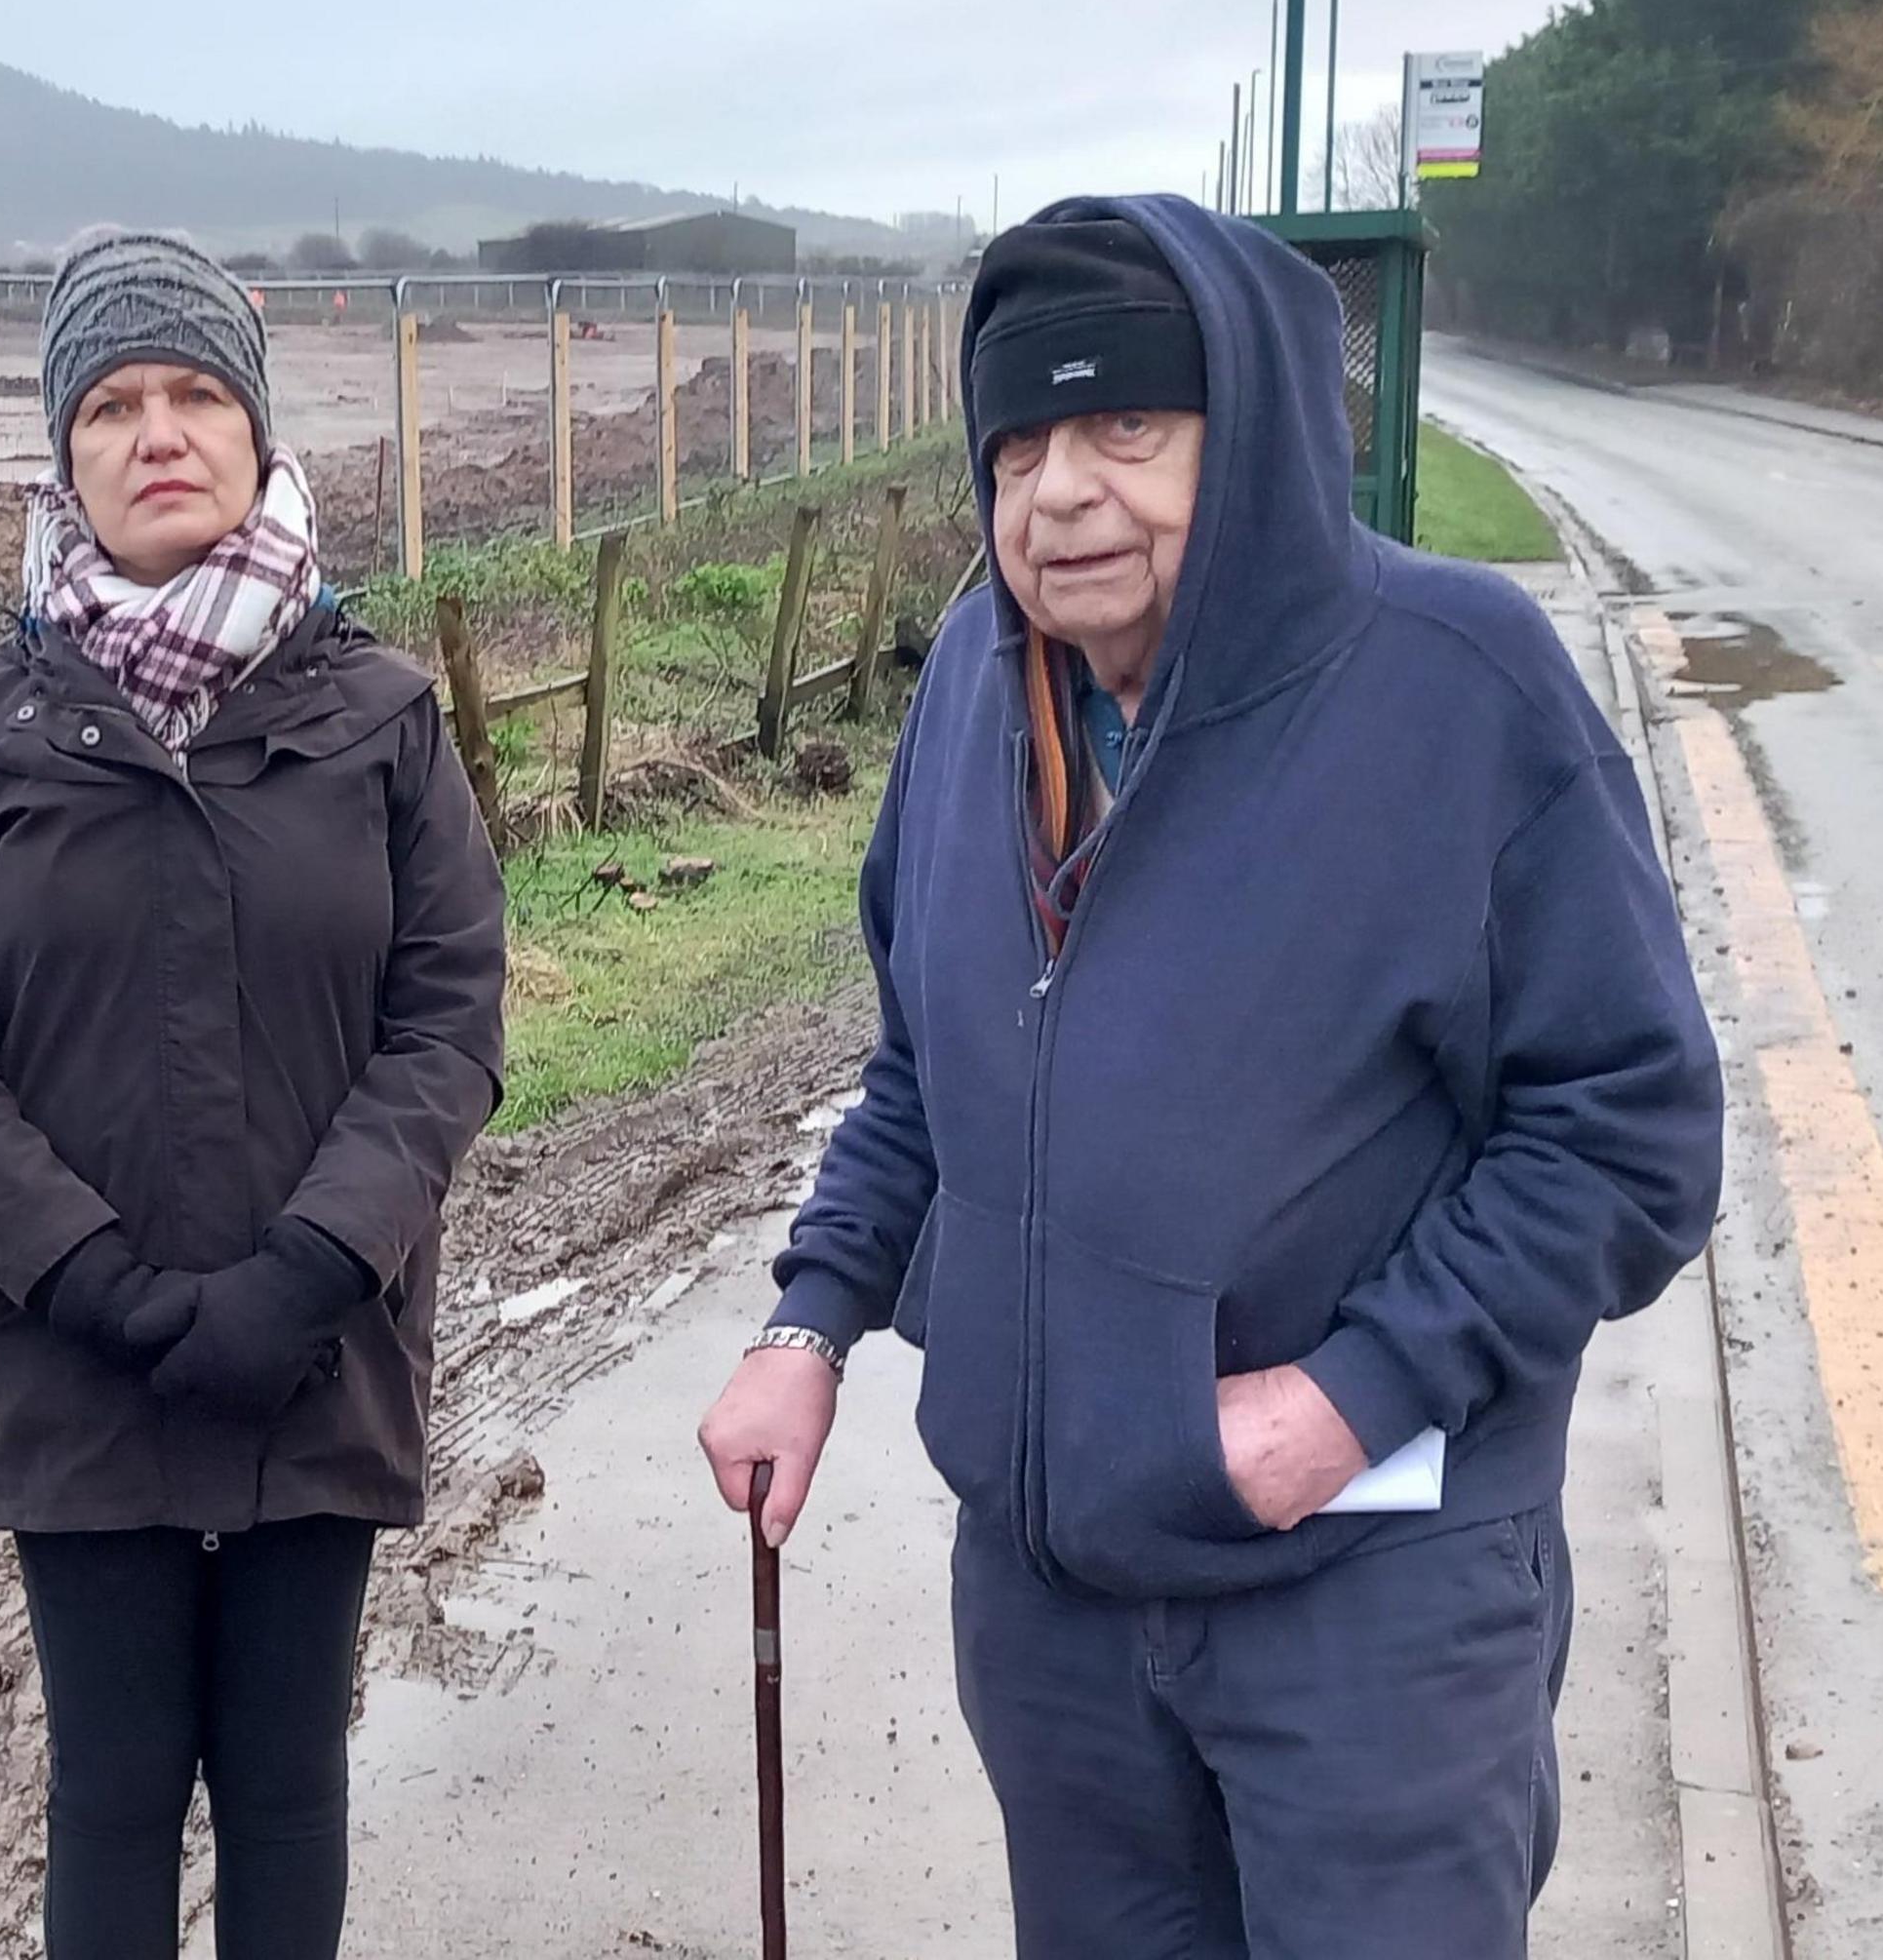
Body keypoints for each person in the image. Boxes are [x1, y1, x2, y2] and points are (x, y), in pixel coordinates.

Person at [693, 197, 1724, 1960]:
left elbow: (1627, 1129)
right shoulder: (967, 693)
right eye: (1021, 441)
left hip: (1367, 1608)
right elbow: (923, 1063)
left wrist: (1351, 1393)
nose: (1063, 492)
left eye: (1128, 427)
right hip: (1057, 1619)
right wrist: (811, 1321)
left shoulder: (1458, 691)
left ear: (1243, 437)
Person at [0, 230, 506, 1960]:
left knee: (289, 1785)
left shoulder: (381, 720)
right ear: (65, 453)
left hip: (323, 1351)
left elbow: (447, 1022)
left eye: (198, 394)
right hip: (84, 1367)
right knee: (116, 1792)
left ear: (257, 431)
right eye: (116, 403)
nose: (161, 432)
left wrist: (312, 1270)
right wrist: (94, 1284)